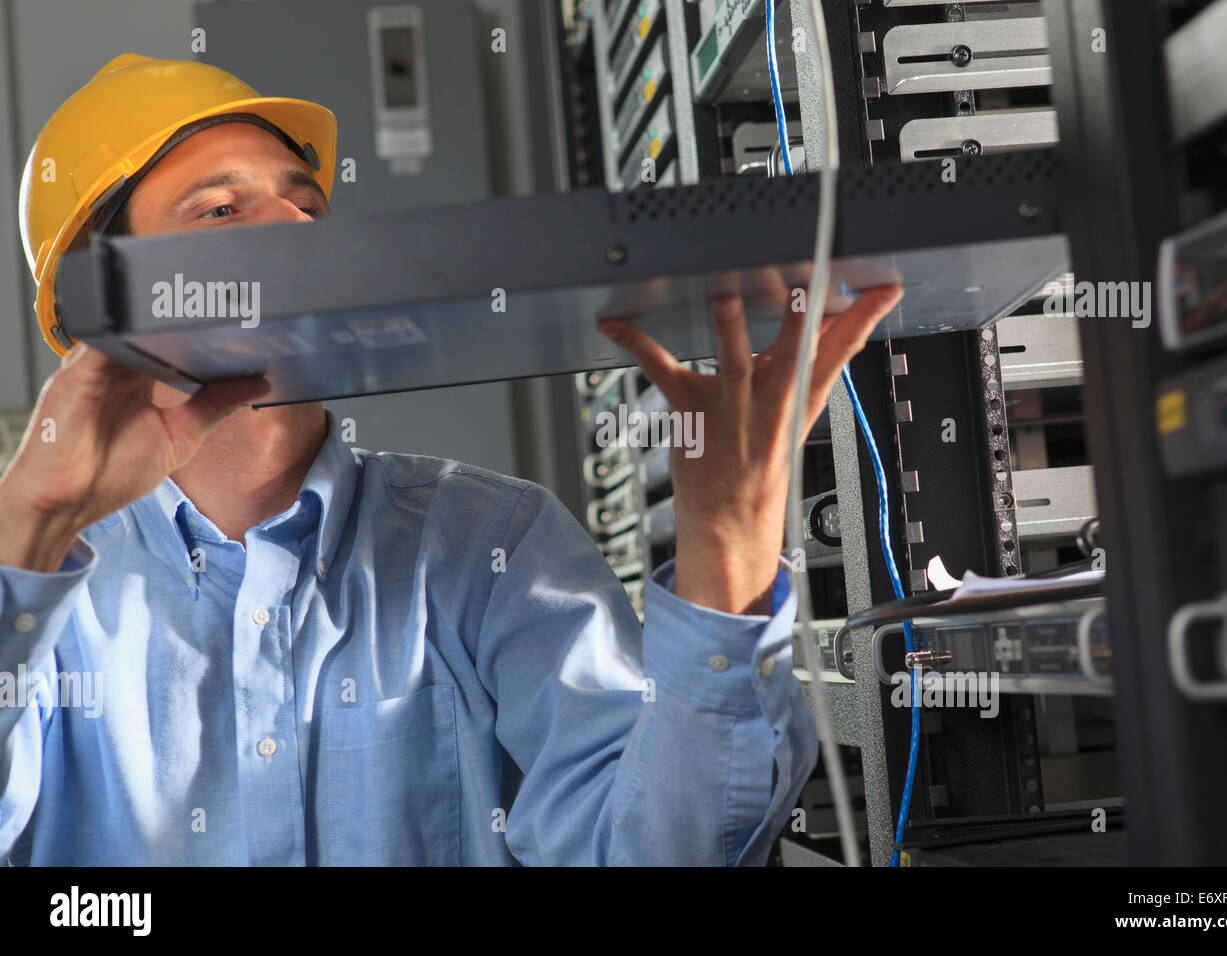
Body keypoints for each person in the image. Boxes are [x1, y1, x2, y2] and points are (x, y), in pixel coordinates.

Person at [0, 55, 901, 865]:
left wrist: (730, 539)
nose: (296, 227)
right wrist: (28, 523)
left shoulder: (489, 544)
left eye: (307, 203)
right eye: (223, 211)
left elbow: (660, 855)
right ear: (103, 309)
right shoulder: (46, 602)